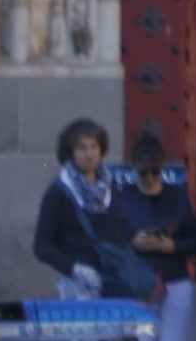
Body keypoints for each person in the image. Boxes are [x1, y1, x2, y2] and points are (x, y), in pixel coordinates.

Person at [35, 121, 155, 301]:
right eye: (82, 148)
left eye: (94, 147)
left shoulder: (112, 186)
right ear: (71, 153)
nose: (89, 154)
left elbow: (118, 229)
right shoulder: (58, 192)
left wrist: (136, 240)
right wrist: (75, 269)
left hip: (117, 280)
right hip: (79, 286)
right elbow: (42, 247)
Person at [121, 131, 196, 341]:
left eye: (155, 172)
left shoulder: (177, 197)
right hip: (137, 282)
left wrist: (173, 246)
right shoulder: (123, 198)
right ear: (135, 169)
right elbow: (108, 242)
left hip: (175, 280)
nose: (149, 178)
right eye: (143, 173)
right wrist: (134, 242)